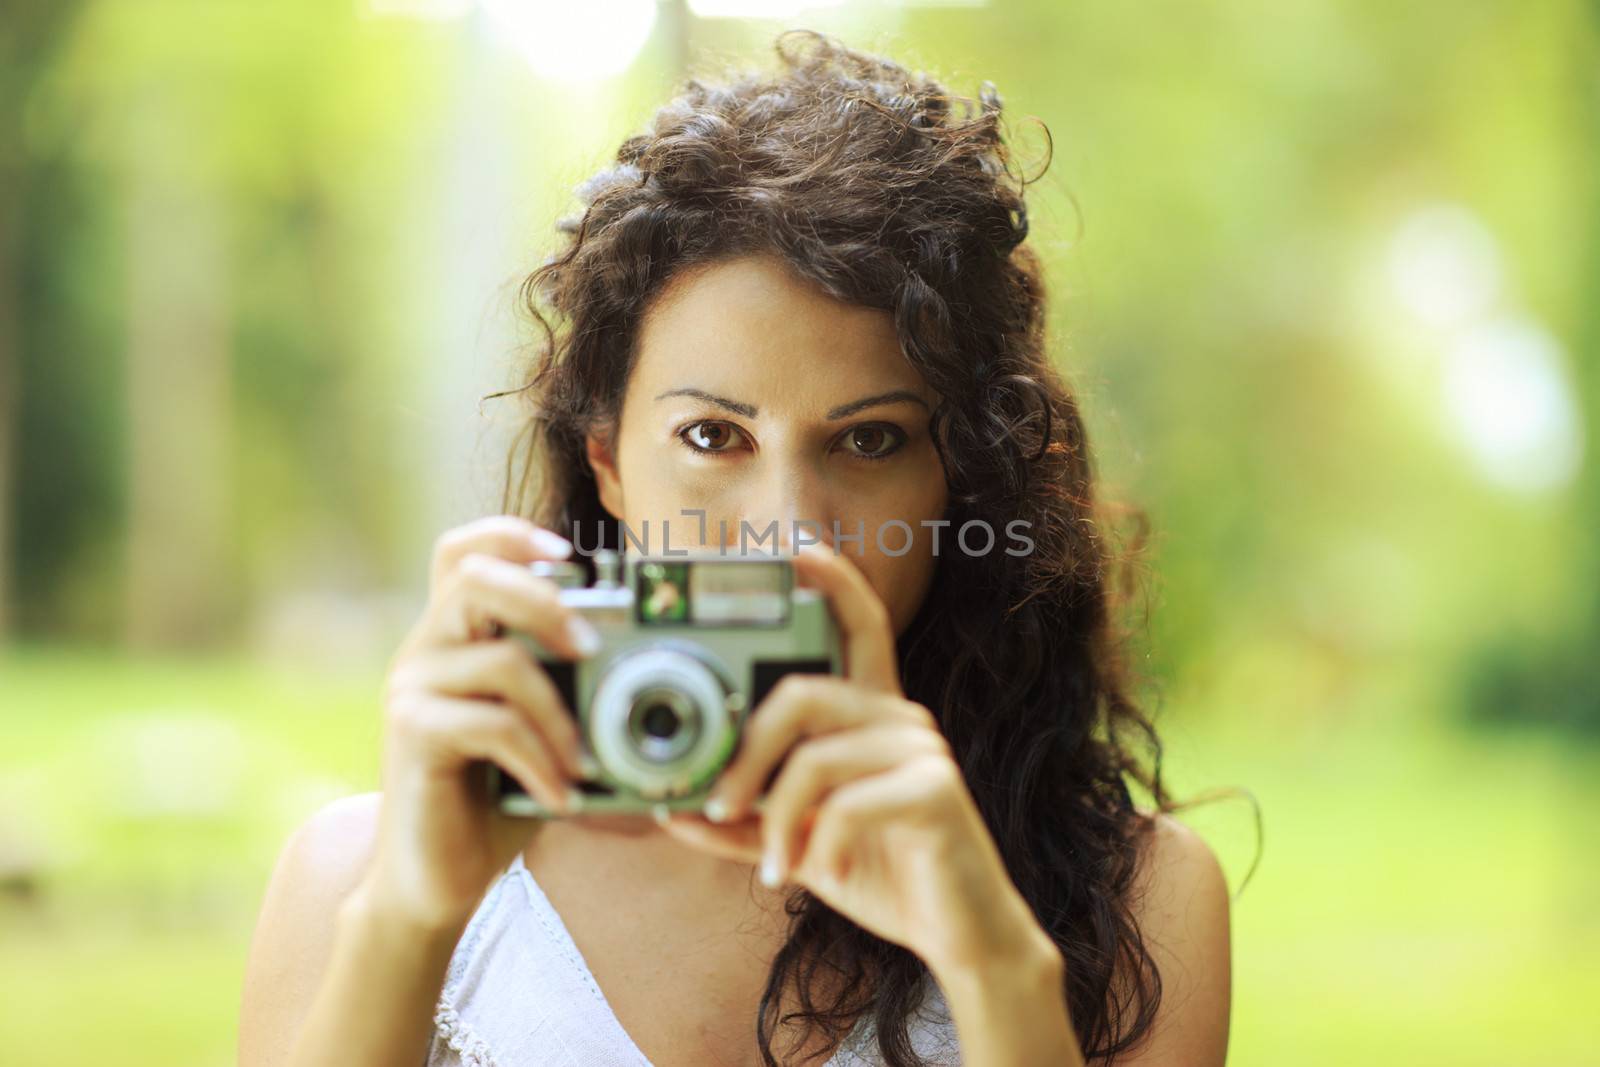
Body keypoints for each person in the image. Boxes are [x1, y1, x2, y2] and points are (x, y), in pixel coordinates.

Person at [238, 29, 1231, 1067]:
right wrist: (407, 921)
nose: (788, 529)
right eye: (713, 437)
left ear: (956, 478)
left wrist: (992, 965)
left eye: (869, 439)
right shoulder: (359, 875)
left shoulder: (1133, 904)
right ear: (609, 463)